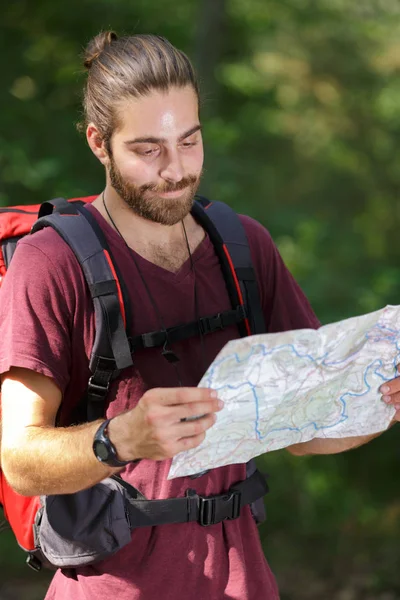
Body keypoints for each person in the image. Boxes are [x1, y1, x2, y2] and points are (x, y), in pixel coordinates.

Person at [0, 32, 399, 600]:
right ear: (99, 143)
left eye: (189, 141)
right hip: (112, 588)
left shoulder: (243, 248)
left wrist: (379, 402)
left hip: (245, 583)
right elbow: (19, 459)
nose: (176, 170)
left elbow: (307, 433)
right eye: (148, 149)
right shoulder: (51, 263)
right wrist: (122, 438)